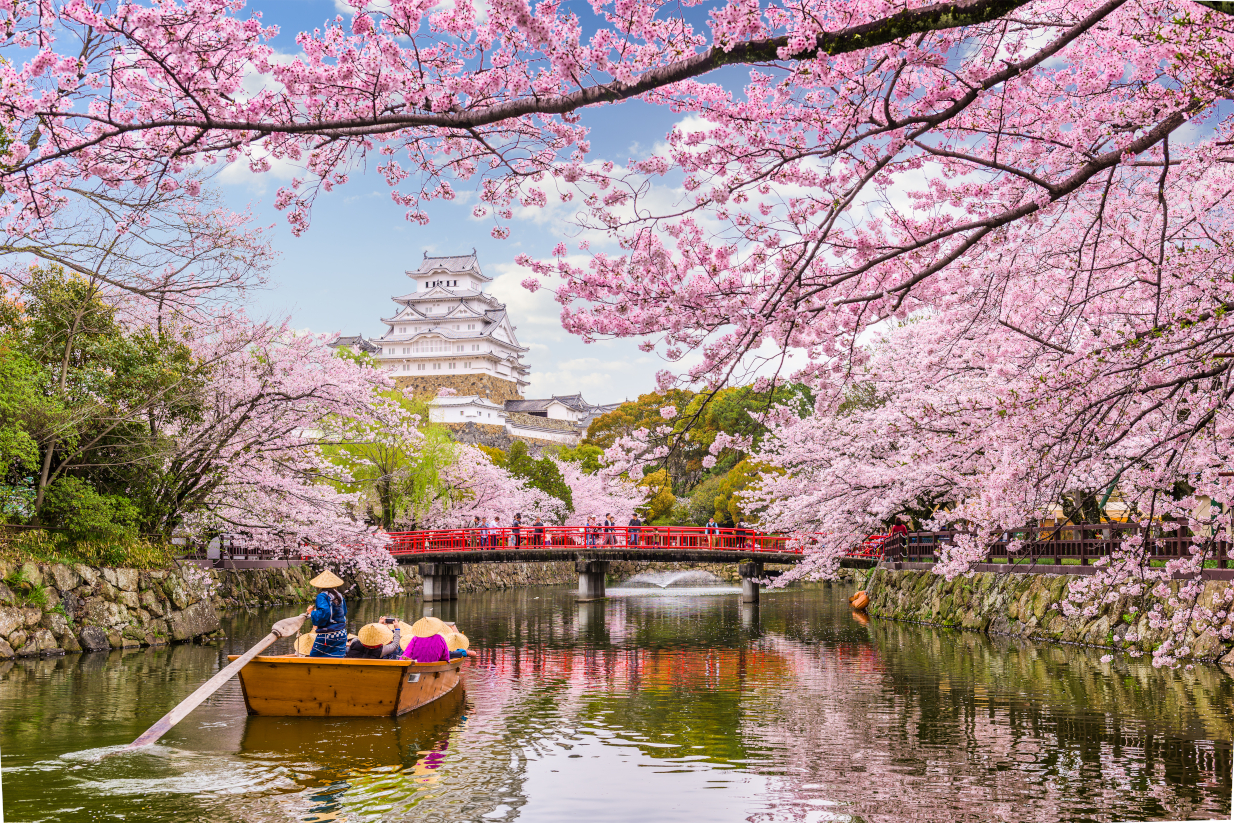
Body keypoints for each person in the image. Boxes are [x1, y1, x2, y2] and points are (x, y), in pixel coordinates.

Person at [304, 570, 348, 657]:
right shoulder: (339, 595)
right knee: (337, 658)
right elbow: (344, 612)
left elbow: (323, 614)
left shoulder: (322, 596)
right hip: (342, 634)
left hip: (327, 636)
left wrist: (311, 612)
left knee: (314, 657)